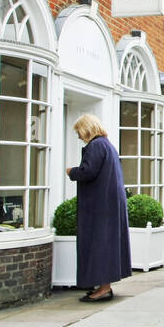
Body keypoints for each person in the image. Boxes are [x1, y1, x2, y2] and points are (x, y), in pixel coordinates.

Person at [67, 113, 131, 301]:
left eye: (79, 132)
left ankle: (103, 289)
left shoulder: (96, 146)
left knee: (100, 244)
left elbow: (88, 172)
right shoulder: (107, 145)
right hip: (109, 204)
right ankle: (103, 286)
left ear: (86, 129)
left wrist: (72, 172)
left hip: (100, 206)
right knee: (106, 244)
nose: (79, 136)